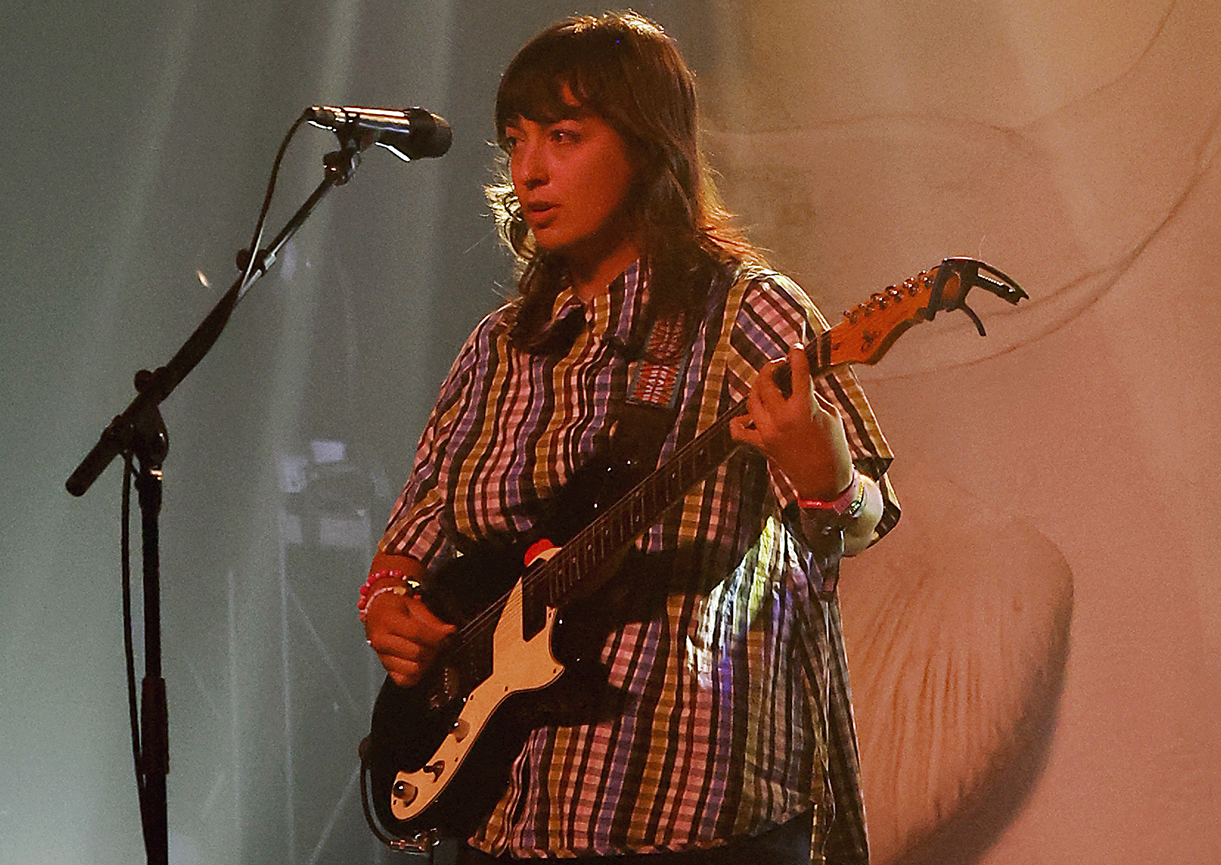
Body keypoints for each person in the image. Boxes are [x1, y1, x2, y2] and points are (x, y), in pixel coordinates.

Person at [358, 12, 899, 865]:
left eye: (564, 136)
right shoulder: (500, 347)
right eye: (515, 142)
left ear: (648, 149)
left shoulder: (747, 312)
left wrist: (825, 473)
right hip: (506, 819)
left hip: (689, 824)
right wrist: (390, 604)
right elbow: (416, 530)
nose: (530, 169)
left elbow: (865, 516)